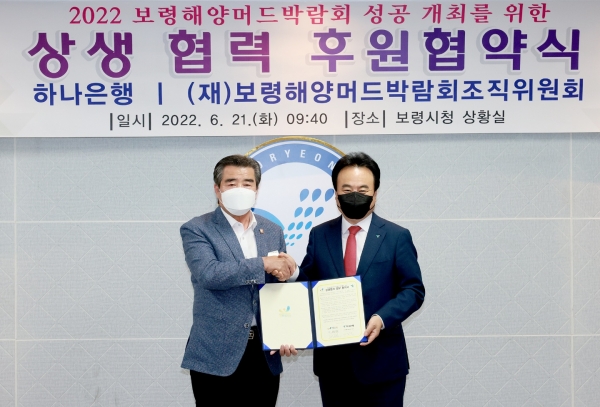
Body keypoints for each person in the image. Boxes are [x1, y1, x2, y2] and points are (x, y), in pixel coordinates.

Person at [296, 152, 425, 406]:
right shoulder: (319, 235)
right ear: (336, 194)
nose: (354, 195)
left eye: (363, 190)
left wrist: (382, 318)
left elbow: (413, 290)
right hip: (333, 367)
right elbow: (306, 287)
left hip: (383, 365)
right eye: (347, 189)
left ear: (375, 194)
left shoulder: (396, 236)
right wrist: (291, 274)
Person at [180, 154, 297, 407]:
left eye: (247, 183)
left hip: (264, 353)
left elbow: (277, 291)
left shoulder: (272, 230)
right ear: (217, 189)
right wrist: (262, 263)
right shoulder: (197, 229)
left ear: (257, 189)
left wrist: (287, 330)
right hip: (216, 353)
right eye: (231, 183)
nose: (240, 189)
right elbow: (209, 274)